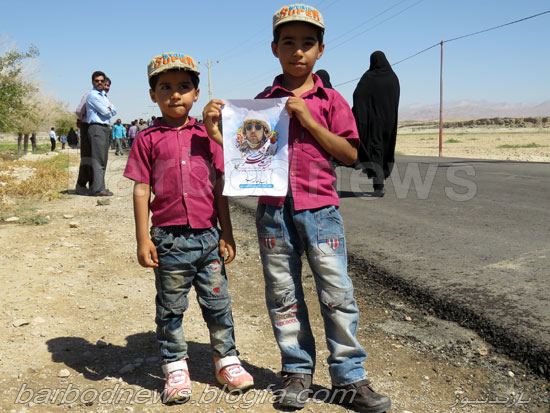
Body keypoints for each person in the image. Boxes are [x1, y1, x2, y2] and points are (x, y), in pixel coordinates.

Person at [203, 4, 391, 412]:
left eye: (308, 43)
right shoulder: (261, 104)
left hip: (320, 210)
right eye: (288, 42)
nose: (298, 51)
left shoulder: (331, 100)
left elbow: (349, 154)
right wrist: (216, 132)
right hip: (273, 212)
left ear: (321, 50)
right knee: (282, 294)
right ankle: (296, 372)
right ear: (274, 48)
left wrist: (310, 119)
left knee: (337, 293)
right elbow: (243, 156)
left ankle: (350, 377)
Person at [123, 52, 254, 404]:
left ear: (196, 93)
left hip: (208, 238)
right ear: (153, 94)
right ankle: (175, 367)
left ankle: (226, 361)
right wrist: (142, 238)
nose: (175, 94)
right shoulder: (147, 139)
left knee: (218, 303)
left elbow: (220, 187)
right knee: (170, 308)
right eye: (165, 87)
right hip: (168, 241)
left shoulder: (207, 137)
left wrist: (227, 232)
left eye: (184, 86)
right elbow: (141, 189)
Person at [352, 50, 400, 197]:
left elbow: (357, 95)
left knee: (376, 149)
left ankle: (379, 185)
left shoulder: (369, 77)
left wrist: (360, 111)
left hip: (374, 122)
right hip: (389, 122)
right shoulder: (393, 77)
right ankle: (381, 179)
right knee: (386, 148)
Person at [85, 70, 117, 196]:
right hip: (96, 128)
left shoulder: (103, 96)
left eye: (101, 81)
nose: (99, 83)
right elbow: (106, 112)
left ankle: (100, 186)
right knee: (98, 159)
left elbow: (114, 110)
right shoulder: (92, 96)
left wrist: (110, 109)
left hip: (104, 128)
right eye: (97, 81)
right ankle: (98, 189)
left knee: (103, 158)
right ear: (92, 82)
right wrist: (109, 109)